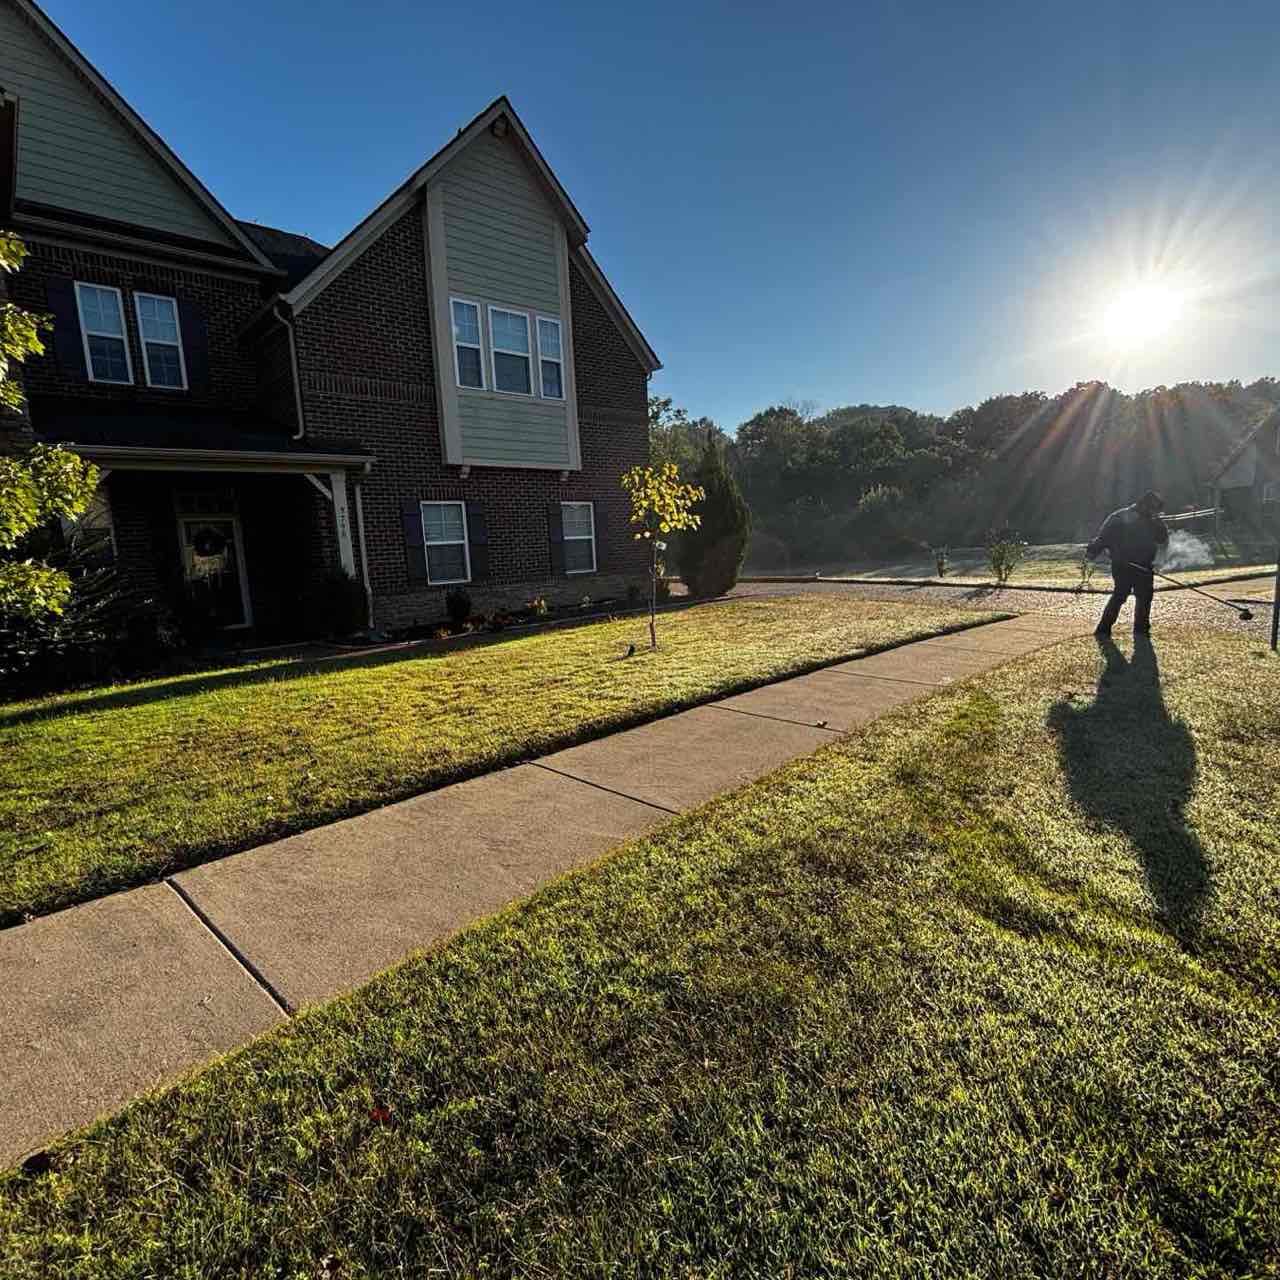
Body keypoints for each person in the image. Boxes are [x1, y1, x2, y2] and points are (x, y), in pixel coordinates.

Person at [1086, 490, 1169, 635]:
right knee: (1120, 595)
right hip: (1123, 565)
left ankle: (1141, 629)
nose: (1153, 512)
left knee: (1145, 597)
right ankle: (1103, 629)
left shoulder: (1152, 519)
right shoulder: (1120, 517)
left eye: (1155, 510)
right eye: (1152, 509)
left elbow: (1161, 539)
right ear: (1144, 505)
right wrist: (1092, 552)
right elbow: (1104, 537)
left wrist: (1158, 523)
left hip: (1144, 565)